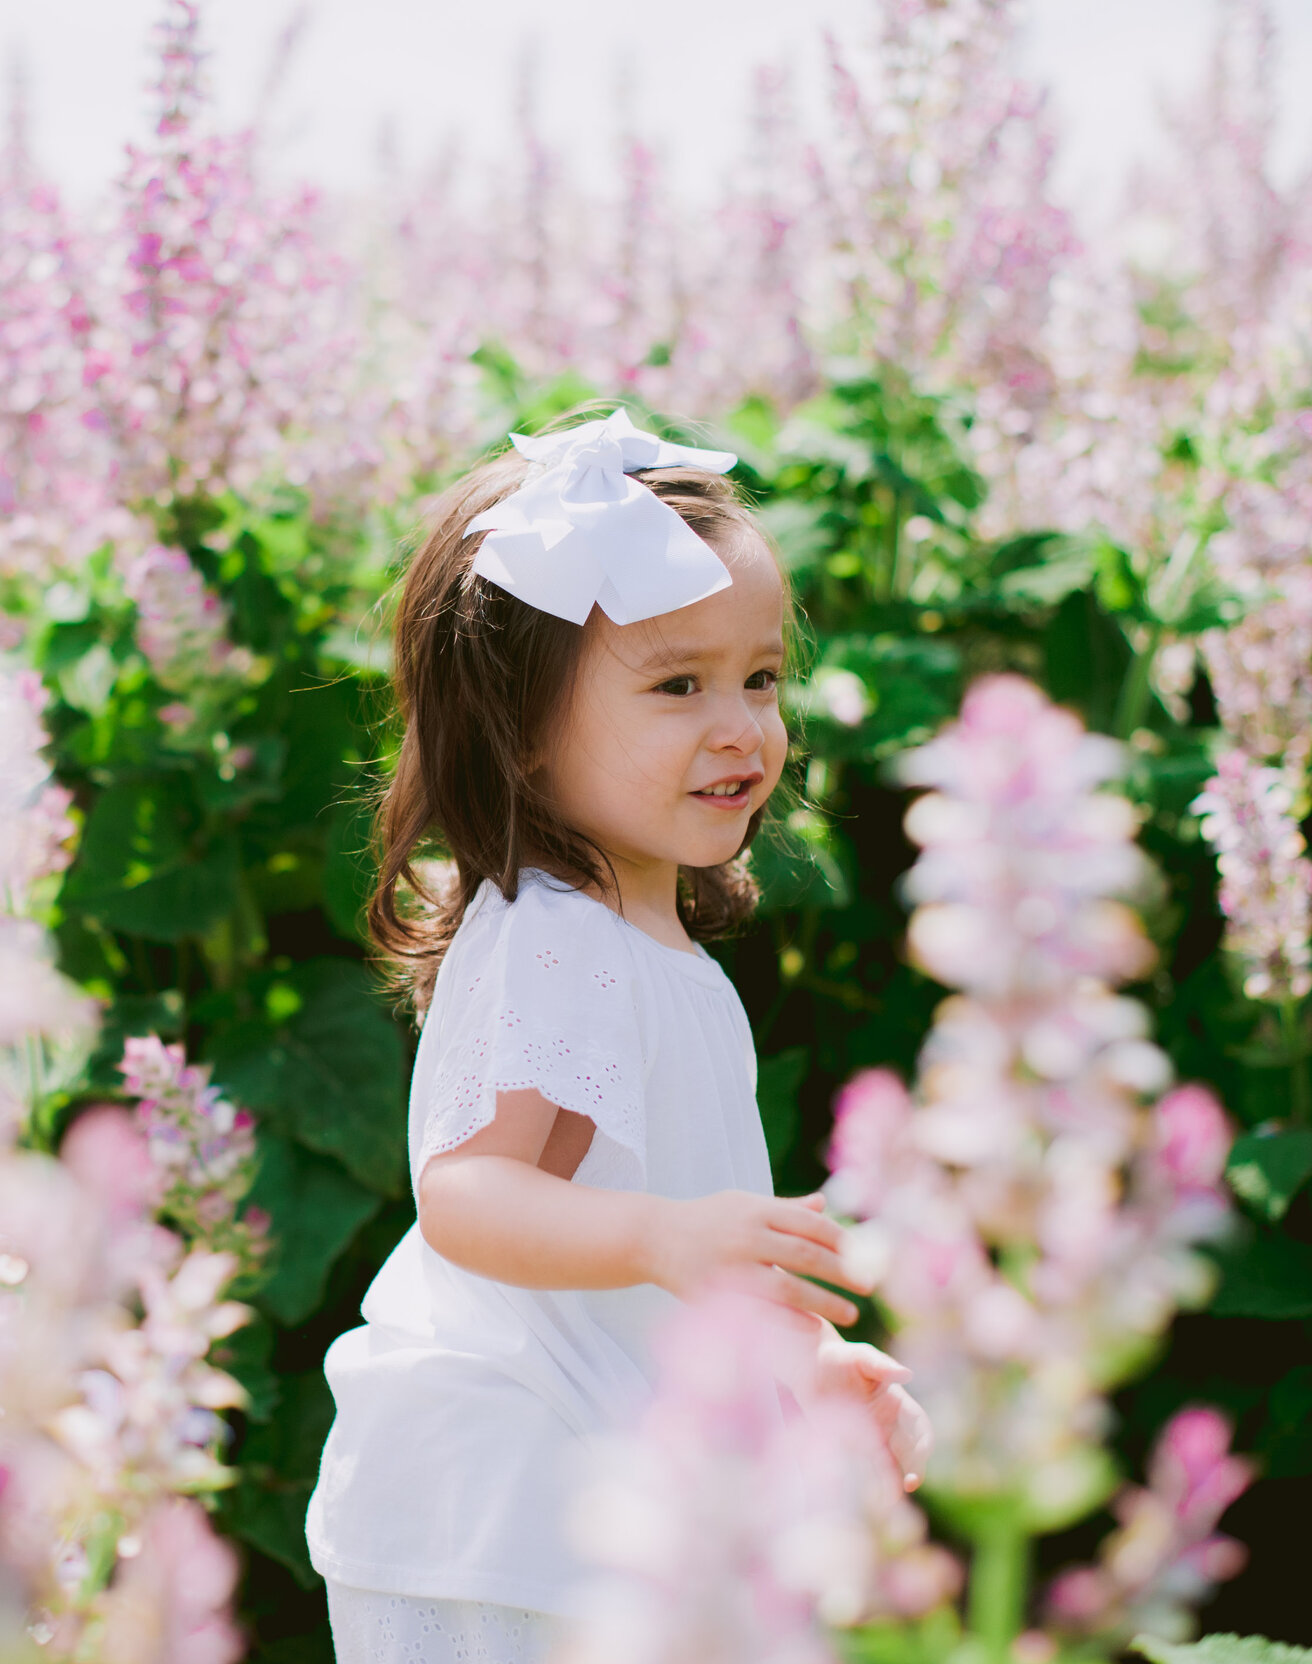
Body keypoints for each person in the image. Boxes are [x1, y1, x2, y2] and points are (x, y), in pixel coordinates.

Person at [302, 408, 933, 1663]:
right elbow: (472, 1192)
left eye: (761, 678)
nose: (742, 725)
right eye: (677, 684)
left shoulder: (646, 946)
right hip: (511, 1494)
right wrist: (664, 1237)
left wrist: (795, 1355)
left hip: (578, 1483)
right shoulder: (563, 937)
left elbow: (660, 1228)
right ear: (521, 728)